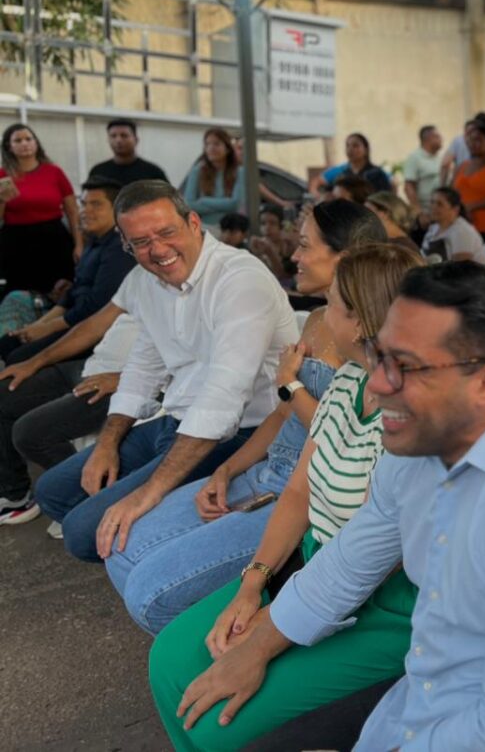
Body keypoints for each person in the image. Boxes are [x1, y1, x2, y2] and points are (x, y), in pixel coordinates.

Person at [169, 262, 485, 749]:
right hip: (430, 697)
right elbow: (350, 561)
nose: (376, 385)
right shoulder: (422, 443)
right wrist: (258, 645)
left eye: (407, 367)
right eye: (381, 356)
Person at [147, 244, 422, 751]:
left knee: (217, 724)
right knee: (169, 659)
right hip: (312, 569)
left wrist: (268, 634)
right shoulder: (349, 380)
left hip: (384, 605)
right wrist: (252, 584)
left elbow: (366, 562)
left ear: (361, 323)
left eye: (332, 302)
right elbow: (298, 491)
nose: (319, 312)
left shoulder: (412, 420)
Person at [105, 200, 386, 632]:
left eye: (305, 245)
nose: (294, 255)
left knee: (148, 593)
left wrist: (290, 384)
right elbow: (281, 416)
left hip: (311, 489)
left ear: (345, 257)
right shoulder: (317, 319)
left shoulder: (371, 341)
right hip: (270, 468)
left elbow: (344, 437)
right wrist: (225, 471)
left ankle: (220, 639)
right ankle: (204, 629)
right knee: (121, 549)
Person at [33, 180, 297, 563]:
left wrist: (148, 493)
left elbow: (224, 396)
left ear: (193, 223)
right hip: (173, 422)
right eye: (140, 242)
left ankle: (155, 551)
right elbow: (143, 366)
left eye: (166, 232)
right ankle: (144, 542)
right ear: (125, 243)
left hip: (238, 434)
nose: (157, 250)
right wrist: (107, 443)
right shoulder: (145, 281)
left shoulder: (240, 278)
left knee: (81, 532)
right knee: (53, 491)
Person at [0, 311, 138, 525]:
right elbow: (94, 325)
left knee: (30, 432)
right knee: (5, 393)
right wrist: (34, 362)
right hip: (92, 366)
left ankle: (90, 506)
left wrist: (128, 378)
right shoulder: (140, 289)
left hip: (128, 381)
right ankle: (15, 497)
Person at [0, 177, 132, 365]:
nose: (85, 211)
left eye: (96, 205)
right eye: (83, 204)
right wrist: (38, 326)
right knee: (8, 342)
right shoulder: (94, 241)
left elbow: (97, 306)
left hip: (93, 329)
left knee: (18, 356)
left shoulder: (119, 248)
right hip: (74, 316)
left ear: (117, 209)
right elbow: (73, 293)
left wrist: (48, 328)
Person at [0, 123, 82, 298]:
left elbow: (73, 211)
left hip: (54, 240)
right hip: (16, 243)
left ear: (36, 143)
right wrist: (1, 200)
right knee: (19, 294)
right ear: (9, 146)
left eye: (28, 139)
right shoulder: (3, 175)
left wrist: (79, 243)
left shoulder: (54, 172)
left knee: (60, 292)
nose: (24, 143)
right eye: (18, 140)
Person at [182, 128, 246, 231]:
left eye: (216, 144)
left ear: (227, 148)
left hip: (229, 230)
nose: (211, 148)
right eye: (207, 144)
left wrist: (204, 200)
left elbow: (235, 204)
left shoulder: (239, 172)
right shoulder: (197, 171)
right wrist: (224, 205)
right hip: (203, 228)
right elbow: (189, 204)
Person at [88, 118, 168, 186]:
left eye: (124, 135)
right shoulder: (98, 172)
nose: (118, 140)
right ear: (108, 140)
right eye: (113, 136)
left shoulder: (153, 173)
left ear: (136, 140)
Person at [419, 186, 485, 264]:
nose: (433, 207)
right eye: (432, 202)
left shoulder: (462, 231)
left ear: (455, 209)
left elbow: (461, 266)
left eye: (440, 204)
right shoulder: (433, 228)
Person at [318, 133, 393, 195]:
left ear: (366, 150)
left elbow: (385, 199)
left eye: (355, 146)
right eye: (347, 146)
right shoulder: (343, 174)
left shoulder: (376, 174)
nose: (350, 149)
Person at [247, 203, 298, 285]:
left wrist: (270, 253)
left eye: (273, 223)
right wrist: (256, 255)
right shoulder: (259, 244)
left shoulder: (288, 245)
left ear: (282, 225)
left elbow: (283, 277)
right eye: (263, 223)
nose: (267, 228)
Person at [439, 112, 485, 186]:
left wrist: (442, 185)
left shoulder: (458, 140)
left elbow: (445, 163)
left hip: (461, 181)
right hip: (483, 182)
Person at [401, 125, 443, 210]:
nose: (441, 139)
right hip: (426, 209)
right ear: (427, 139)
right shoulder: (415, 158)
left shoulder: (440, 158)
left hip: (442, 208)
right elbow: (408, 187)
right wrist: (418, 210)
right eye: (437, 137)